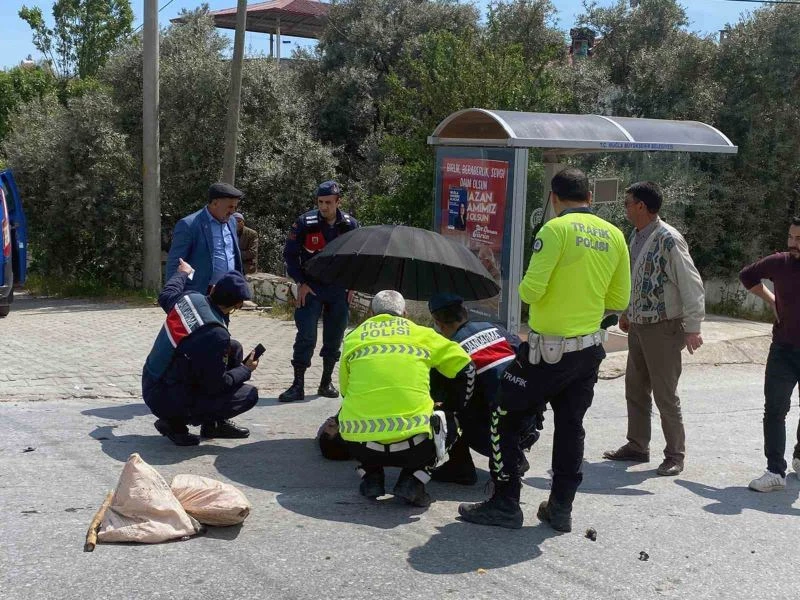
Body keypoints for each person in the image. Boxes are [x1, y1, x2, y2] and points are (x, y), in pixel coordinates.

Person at [459, 167, 631, 531]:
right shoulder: (615, 235)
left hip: (546, 351)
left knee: (502, 412)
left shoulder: (554, 229)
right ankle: (560, 508)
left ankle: (505, 502)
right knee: (571, 427)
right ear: (589, 196)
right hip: (587, 351)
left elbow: (530, 291)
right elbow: (619, 298)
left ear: (554, 198)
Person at [603, 181, 705, 477]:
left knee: (665, 393)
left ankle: (675, 454)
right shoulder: (636, 236)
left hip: (664, 328)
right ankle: (637, 445)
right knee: (635, 387)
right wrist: (626, 311)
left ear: (642, 207)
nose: (625, 208)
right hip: (639, 326)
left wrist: (693, 326)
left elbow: (690, 283)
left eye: (628, 203)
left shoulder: (669, 239)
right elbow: (634, 278)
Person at [338, 290, 474, 507]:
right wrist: (453, 407)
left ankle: (371, 476)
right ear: (405, 313)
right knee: (451, 424)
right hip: (415, 448)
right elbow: (465, 366)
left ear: (371, 313)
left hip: (362, 444)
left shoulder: (353, 338)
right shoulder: (421, 334)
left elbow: (345, 391)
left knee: (345, 415)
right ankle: (414, 480)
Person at [427, 292, 541, 485]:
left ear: (438, 322)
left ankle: (461, 467)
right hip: (529, 420)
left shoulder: (450, 349)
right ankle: (512, 452)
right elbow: (525, 356)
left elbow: (437, 393)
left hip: (496, 430)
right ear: (464, 312)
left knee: (443, 410)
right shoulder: (495, 329)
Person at [142, 260, 259, 446]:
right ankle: (175, 422)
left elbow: (166, 294)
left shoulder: (189, 298)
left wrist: (183, 272)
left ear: (212, 290)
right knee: (248, 394)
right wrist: (246, 370)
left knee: (233, 347)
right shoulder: (216, 334)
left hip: (151, 382)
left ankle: (213, 426)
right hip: (165, 398)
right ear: (237, 305)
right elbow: (218, 385)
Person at [279, 181, 359, 402]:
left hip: (338, 289)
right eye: (320, 202)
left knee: (334, 337)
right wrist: (301, 283)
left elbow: (358, 259)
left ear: (338, 202)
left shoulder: (350, 225)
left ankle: (326, 382)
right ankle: (297, 385)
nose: (324, 207)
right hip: (311, 287)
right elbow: (290, 255)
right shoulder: (305, 222)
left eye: (328, 203)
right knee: (306, 336)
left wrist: (353, 285)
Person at [740, 217, 800, 492]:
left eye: (799, 239)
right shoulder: (780, 262)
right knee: (775, 409)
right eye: (790, 237)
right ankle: (775, 471)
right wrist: (772, 300)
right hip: (783, 350)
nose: (792, 243)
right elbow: (747, 276)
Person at [165, 183, 244, 294]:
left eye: (235, 207)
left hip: (227, 293)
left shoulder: (231, 222)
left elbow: (233, 255)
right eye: (230, 207)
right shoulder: (189, 225)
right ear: (215, 203)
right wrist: (172, 296)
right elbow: (175, 263)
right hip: (199, 293)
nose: (233, 211)